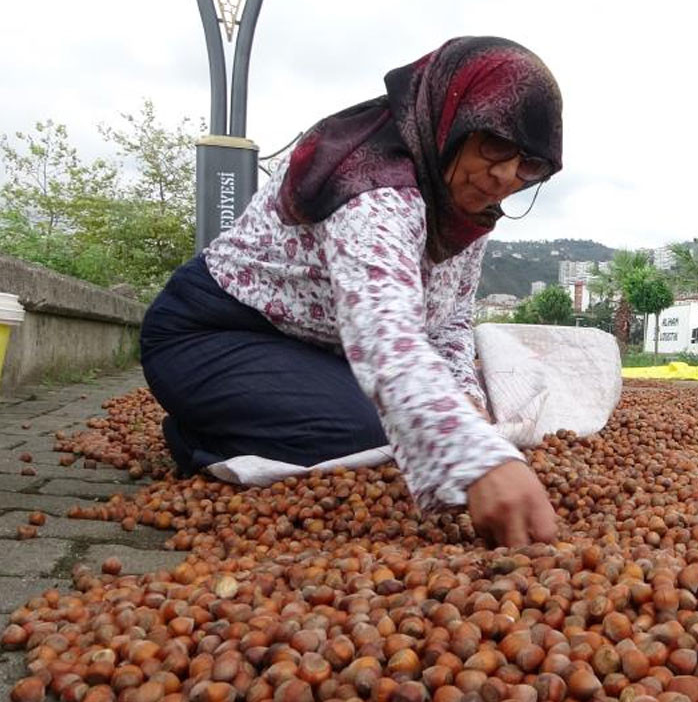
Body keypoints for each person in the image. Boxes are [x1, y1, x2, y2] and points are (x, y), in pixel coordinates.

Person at [140, 36, 561, 547]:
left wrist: (468, 405)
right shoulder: (373, 184)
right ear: (453, 118)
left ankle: (252, 413)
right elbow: (385, 334)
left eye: (529, 165)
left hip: (317, 348)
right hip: (213, 332)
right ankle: (197, 435)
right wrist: (480, 460)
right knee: (370, 431)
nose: (505, 176)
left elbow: (450, 319)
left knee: (410, 421)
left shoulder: (463, 208)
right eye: (494, 143)